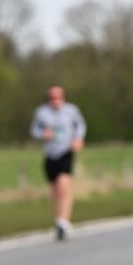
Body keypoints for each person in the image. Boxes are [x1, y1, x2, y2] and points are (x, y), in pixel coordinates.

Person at [30, 86, 86, 240]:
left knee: (64, 186)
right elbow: (33, 130)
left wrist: (78, 139)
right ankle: (59, 221)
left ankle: (64, 221)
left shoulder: (71, 111)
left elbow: (80, 125)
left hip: (65, 151)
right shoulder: (42, 112)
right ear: (49, 99)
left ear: (63, 98)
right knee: (55, 191)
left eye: (58, 98)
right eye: (52, 99)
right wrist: (43, 134)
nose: (55, 102)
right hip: (50, 154)